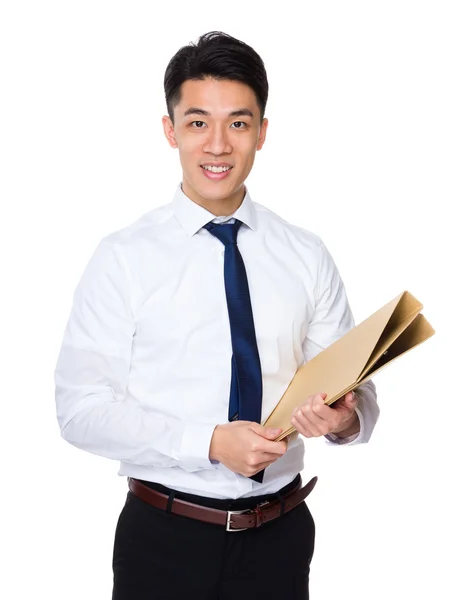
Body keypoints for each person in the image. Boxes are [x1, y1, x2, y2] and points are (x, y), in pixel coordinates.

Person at [54, 31, 379, 600]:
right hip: (164, 538)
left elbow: (357, 396)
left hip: (280, 538)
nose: (218, 145)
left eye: (238, 123)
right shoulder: (123, 257)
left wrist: (343, 420)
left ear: (262, 132)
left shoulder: (305, 254)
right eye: (199, 122)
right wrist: (206, 442)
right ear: (170, 130)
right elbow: (80, 410)